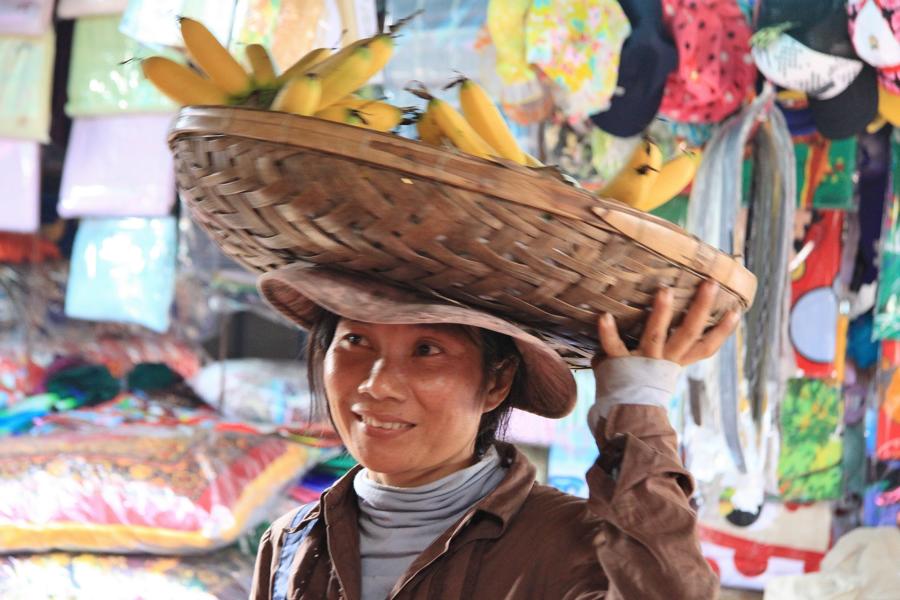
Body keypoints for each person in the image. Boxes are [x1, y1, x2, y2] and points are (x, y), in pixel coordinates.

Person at [250, 264, 739, 600]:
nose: (377, 385)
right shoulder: (292, 544)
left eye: (426, 350)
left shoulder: (575, 545)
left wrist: (637, 404)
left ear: (496, 382)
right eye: (354, 339)